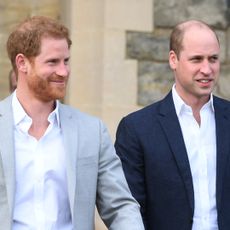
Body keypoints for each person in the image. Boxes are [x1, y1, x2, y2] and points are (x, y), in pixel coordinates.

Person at [0, 15, 144, 230]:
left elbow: (120, 206)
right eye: (52, 62)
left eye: (66, 61)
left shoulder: (91, 131)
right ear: (22, 63)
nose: (64, 71)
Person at [115, 19, 230, 229]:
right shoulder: (137, 129)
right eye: (196, 59)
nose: (207, 69)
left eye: (213, 59)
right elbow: (129, 211)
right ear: (173, 59)